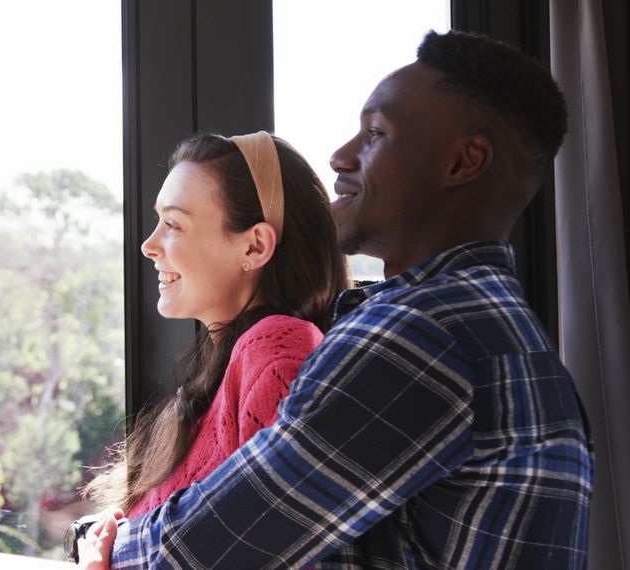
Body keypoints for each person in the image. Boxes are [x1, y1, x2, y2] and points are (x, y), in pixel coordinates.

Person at [78, 29, 593, 569]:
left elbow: (227, 538)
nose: (340, 156)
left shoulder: (424, 334)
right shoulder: (488, 328)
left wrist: (104, 546)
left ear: (463, 162)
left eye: (375, 134)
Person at [69, 130, 349, 561]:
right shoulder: (227, 366)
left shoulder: (278, 351)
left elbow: (268, 548)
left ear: (255, 245)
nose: (149, 245)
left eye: (174, 225)